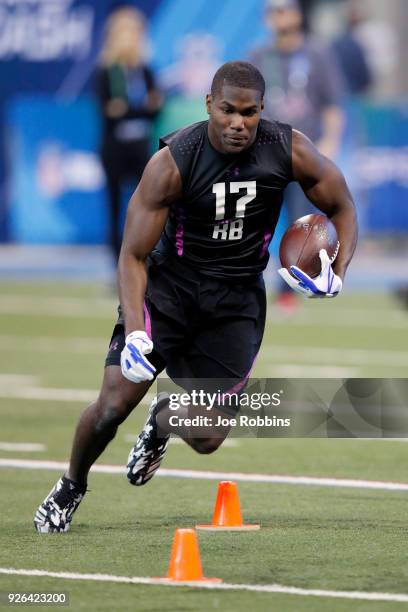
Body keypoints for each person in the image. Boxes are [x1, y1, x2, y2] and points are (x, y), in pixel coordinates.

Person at [34, 61, 357, 533]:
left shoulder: (288, 147)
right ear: (209, 104)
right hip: (169, 291)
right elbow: (132, 255)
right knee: (112, 405)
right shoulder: (174, 161)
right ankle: (71, 485)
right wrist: (138, 332)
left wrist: (338, 270)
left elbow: (342, 205)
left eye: (248, 113)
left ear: (262, 110)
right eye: (227, 110)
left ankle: (164, 419)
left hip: (236, 301)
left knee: (208, 437)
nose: (237, 123)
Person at [249, 0, 345, 311]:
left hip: (305, 156)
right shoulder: (258, 56)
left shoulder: (317, 54)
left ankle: (289, 288)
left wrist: (329, 144)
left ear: (297, 14)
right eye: (274, 11)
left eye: (285, 10)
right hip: (264, 154)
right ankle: (244, 284)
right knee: (254, 222)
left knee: (301, 224)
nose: (280, 17)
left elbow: (332, 105)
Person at [97, 6, 162, 262]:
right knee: (115, 208)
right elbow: (109, 111)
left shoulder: (144, 71)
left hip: (140, 146)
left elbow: (154, 108)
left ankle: (143, 259)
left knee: (145, 206)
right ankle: (117, 263)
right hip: (114, 146)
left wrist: (129, 109)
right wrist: (140, 107)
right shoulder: (107, 71)